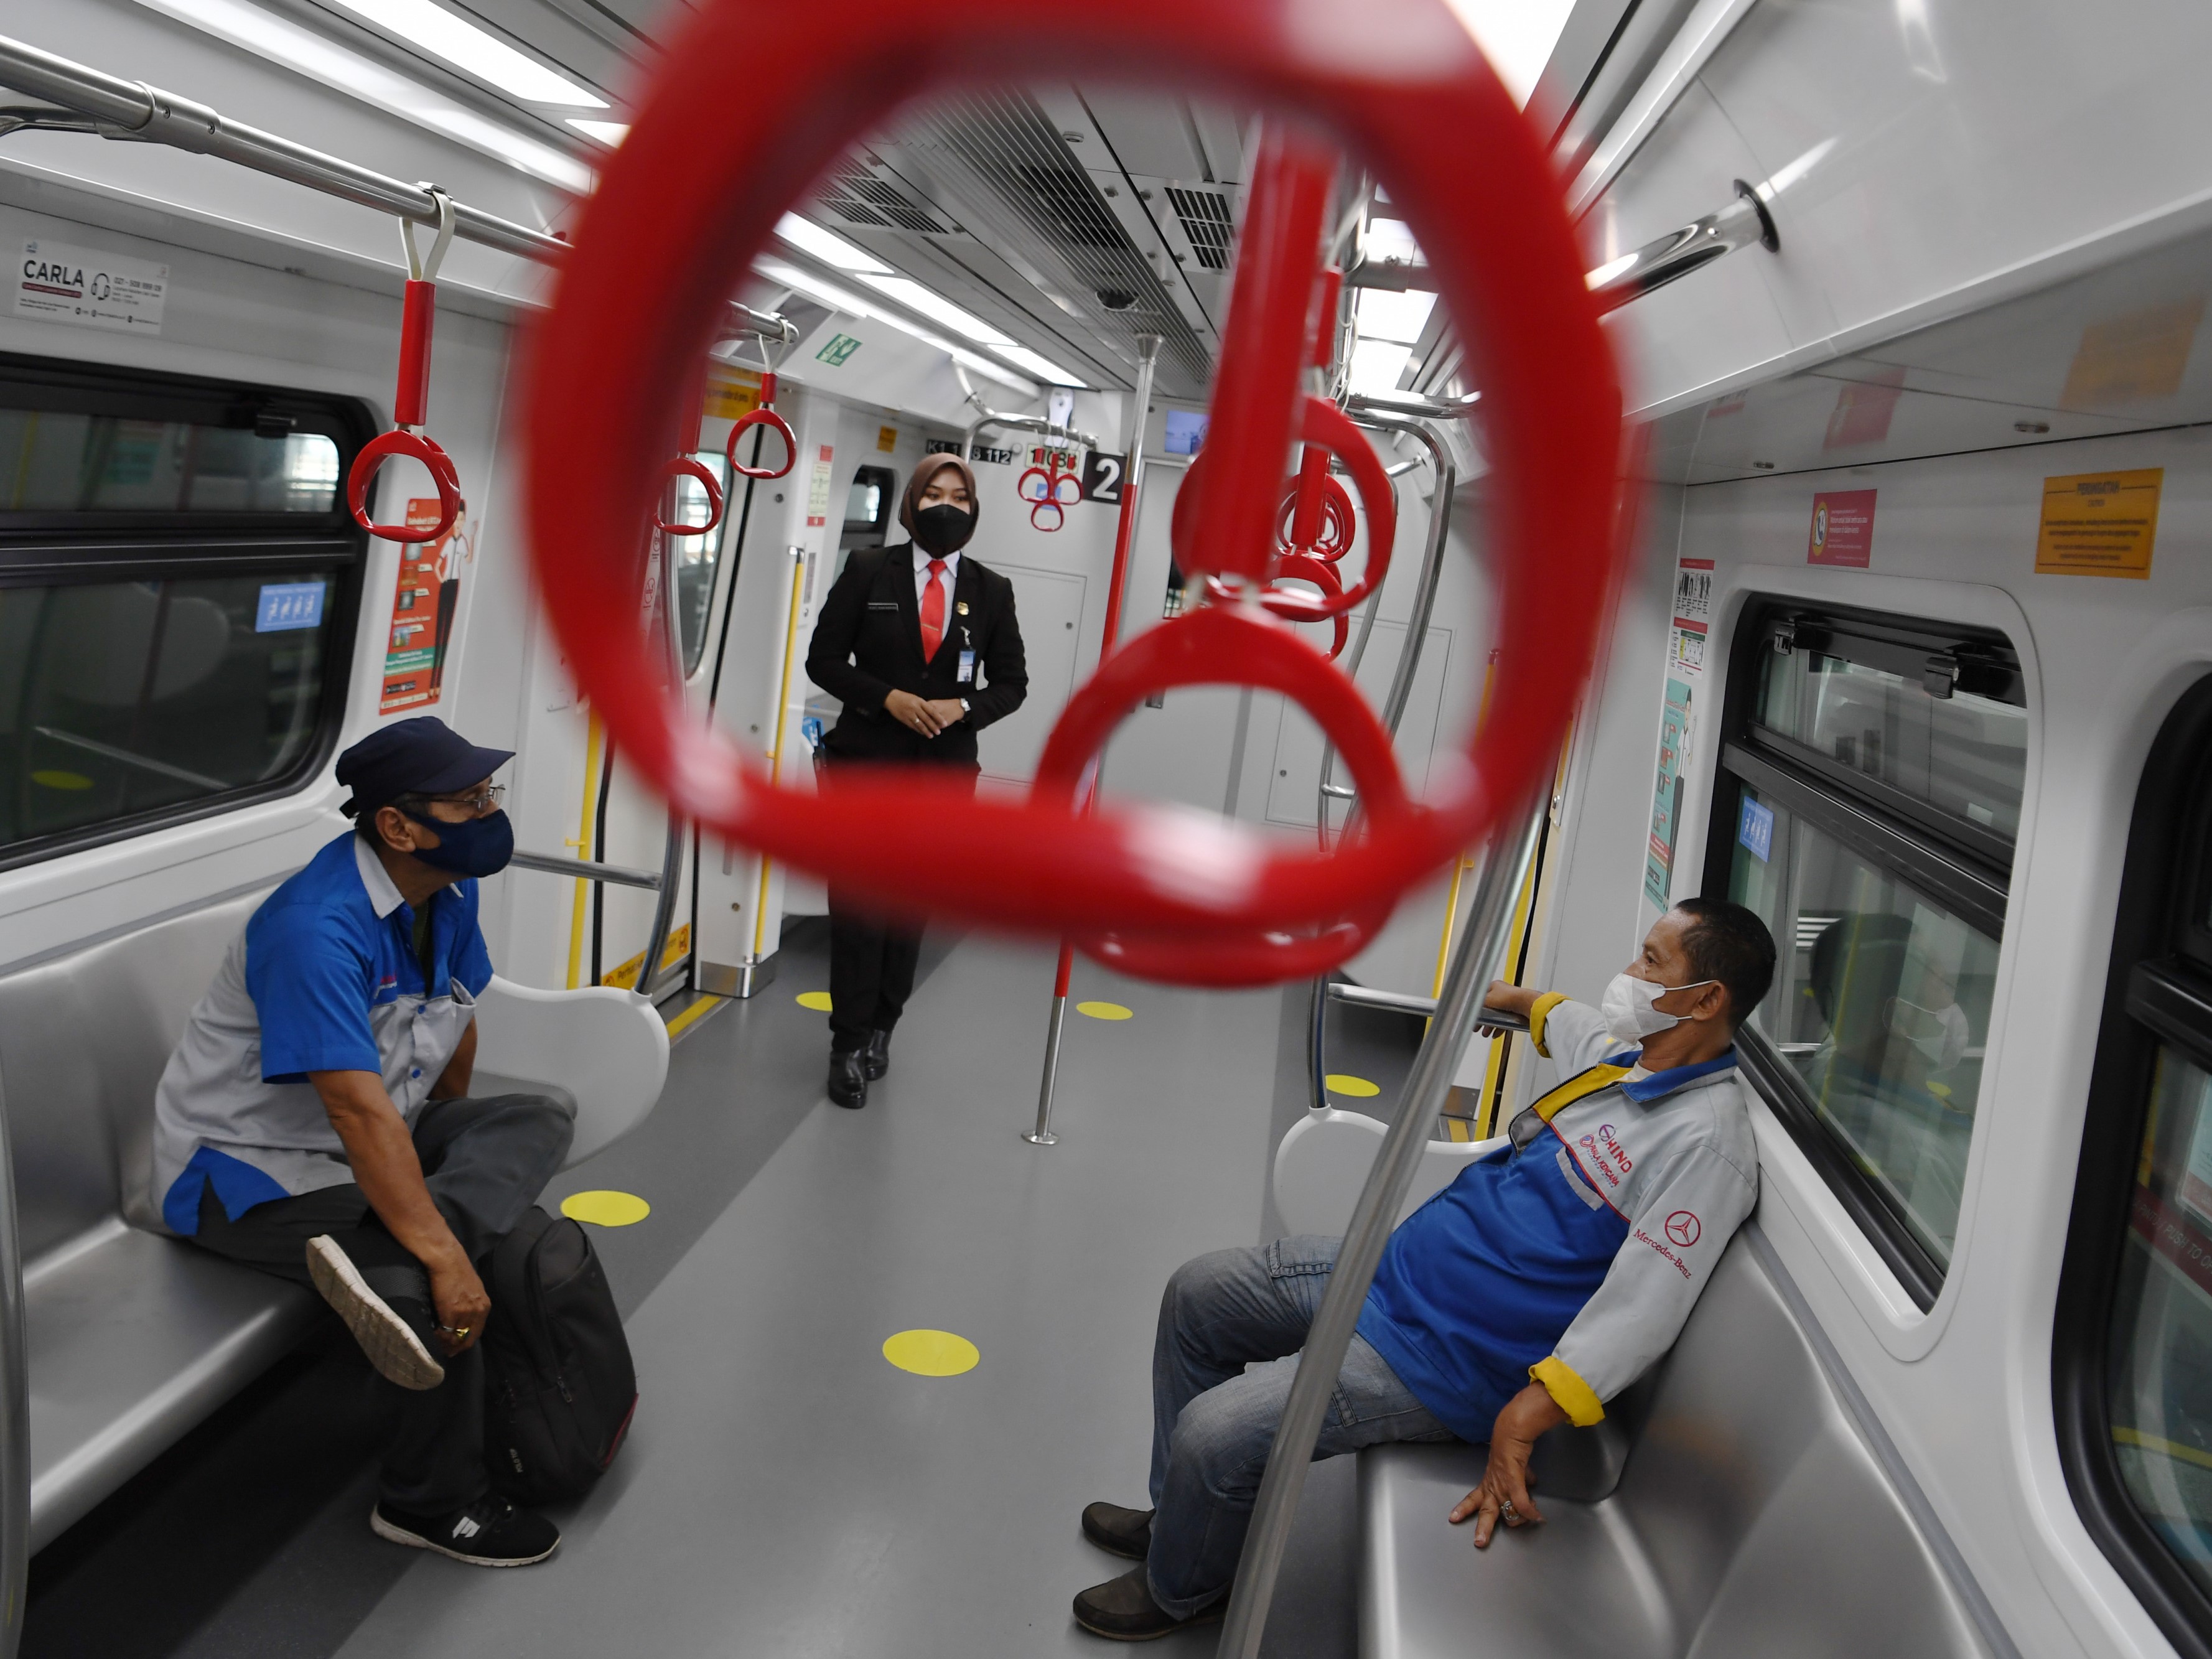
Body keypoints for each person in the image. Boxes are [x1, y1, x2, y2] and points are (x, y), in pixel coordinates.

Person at [1070, 897, 1778, 1640]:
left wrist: (1526, 1414)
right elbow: (1569, 1021)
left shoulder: (1706, 1147)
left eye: (1652, 961)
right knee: (1198, 1294)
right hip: (1395, 1272)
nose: (1630, 972)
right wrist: (1517, 999)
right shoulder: (1627, 1064)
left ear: (1706, 999)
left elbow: (1645, 1304)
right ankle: (1182, 1524)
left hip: (1447, 1359)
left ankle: (1186, 1586)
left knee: (1214, 1432)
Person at [149, 716, 575, 1568]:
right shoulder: (314, 927)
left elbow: (456, 1019)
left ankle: (397, 1246)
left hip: (373, 1137)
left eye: (489, 794)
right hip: (247, 1174)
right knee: (426, 1271)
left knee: (541, 1113)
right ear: (397, 826)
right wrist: (439, 1249)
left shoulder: (446, 894)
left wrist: (441, 1175)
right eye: (469, 800)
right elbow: (351, 1109)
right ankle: (429, 1503)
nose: (490, 812)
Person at [803, 455, 1027, 1108]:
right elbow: (823, 660)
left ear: (974, 510)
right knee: (858, 910)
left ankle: (883, 1028)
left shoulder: (991, 590)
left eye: (960, 496)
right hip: (865, 768)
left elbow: (1012, 684)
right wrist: (886, 698)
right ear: (911, 504)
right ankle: (846, 1044)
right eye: (934, 494)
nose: (947, 507)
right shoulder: (868, 570)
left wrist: (964, 707)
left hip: (942, 776)